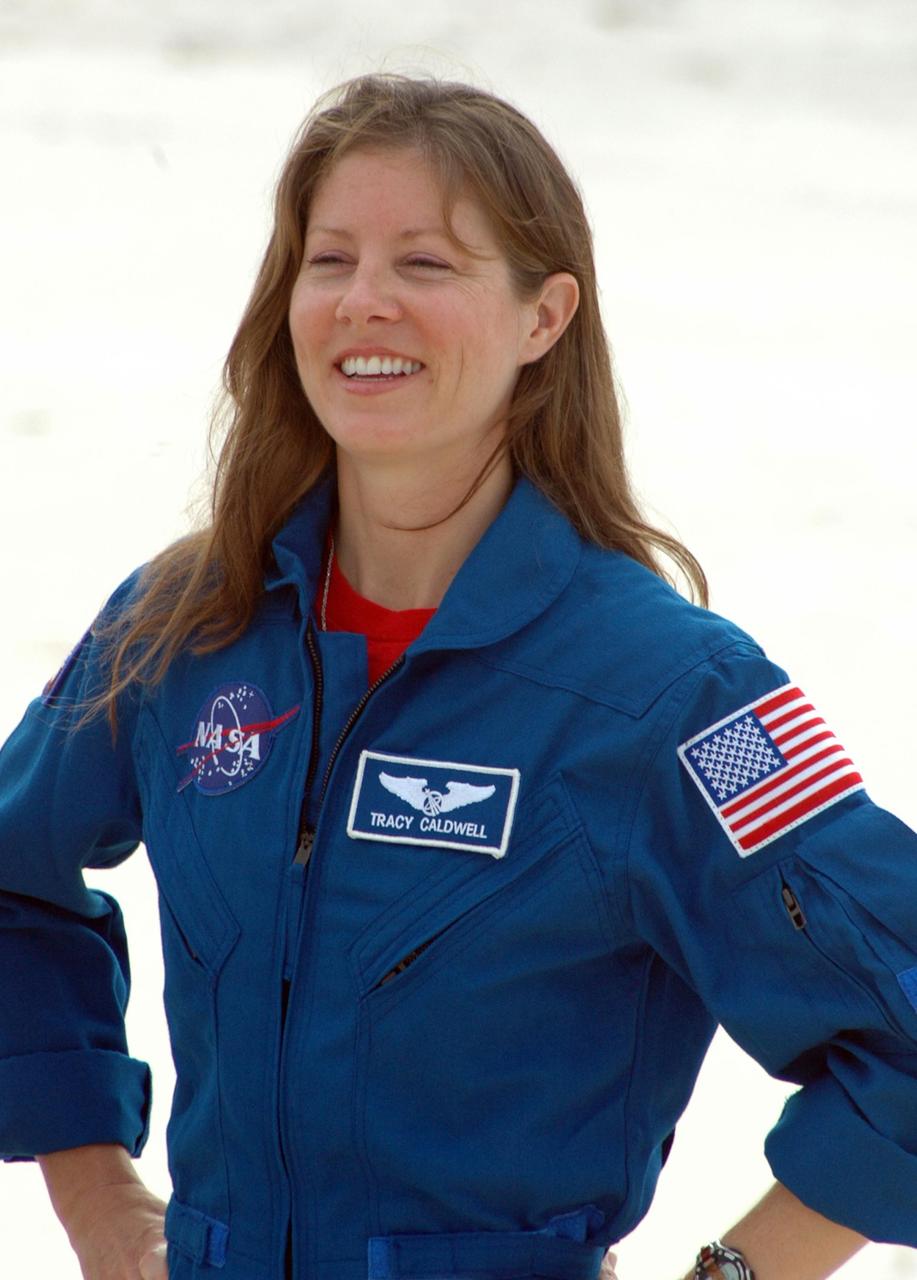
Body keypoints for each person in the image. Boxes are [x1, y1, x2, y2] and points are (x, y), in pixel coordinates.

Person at [0, 72, 914, 1280]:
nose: (362, 303)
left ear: (544, 317)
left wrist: (733, 1274)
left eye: (424, 265)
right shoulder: (184, 625)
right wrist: (100, 1203)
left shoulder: (671, 692)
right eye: (328, 261)